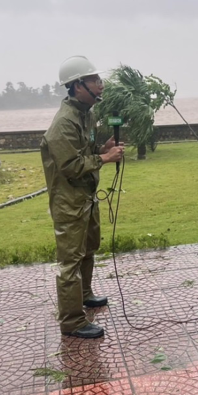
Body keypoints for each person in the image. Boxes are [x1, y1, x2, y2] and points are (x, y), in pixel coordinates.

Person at [41, 55, 124, 339]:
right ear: (78, 86)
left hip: (86, 196)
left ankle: (85, 294)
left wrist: (103, 147)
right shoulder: (63, 123)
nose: (101, 85)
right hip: (69, 201)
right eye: (95, 81)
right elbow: (71, 166)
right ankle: (72, 321)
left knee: (88, 249)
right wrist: (105, 157)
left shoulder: (85, 114)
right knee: (70, 261)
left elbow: (84, 152)